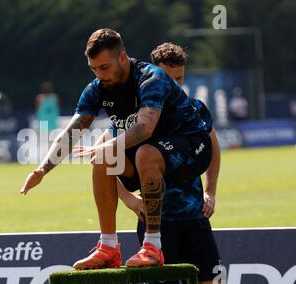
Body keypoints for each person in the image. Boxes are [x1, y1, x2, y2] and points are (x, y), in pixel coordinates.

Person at [20, 29, 212, 270]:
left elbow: (145, 129)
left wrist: (105, 146)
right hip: (154, 153)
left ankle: (153, 247)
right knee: (104, 156)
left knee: (140, 152)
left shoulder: (151, 78)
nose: (100, 75)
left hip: (192, 146)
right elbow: (72, 131)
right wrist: (42, 169)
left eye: (104, 67)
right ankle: (108, 246)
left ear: (122, 58)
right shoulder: (97, 88)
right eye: (94, 69)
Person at [115, 42, 224, 284]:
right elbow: (105, 156)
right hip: (158, 224)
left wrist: (210, 191)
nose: (175, 86)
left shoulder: (194, 109)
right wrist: (129, 199)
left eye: (180, 79)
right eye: (168, 79)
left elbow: (213, 147)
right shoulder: (137, 115)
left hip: (195, 218)